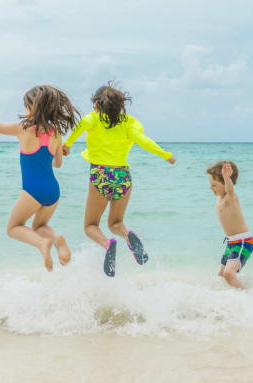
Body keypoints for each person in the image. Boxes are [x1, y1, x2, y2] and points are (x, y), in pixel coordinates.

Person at [0, 85, 78, 271]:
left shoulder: (24, 129)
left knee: (13, 228)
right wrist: (60, 150)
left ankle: (41, 244)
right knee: (40, 225)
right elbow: (57, 164)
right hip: (53, 190)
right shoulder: (57, 133)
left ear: (33, 107)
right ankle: (56, 240)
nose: (24, 110)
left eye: (25, 106)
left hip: (32, 190)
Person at [62, 82, 176, 277]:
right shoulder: (130, 123)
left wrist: (67, 146)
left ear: (96, 105)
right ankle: (127, 235)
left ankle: (108, 244)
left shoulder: (92, 118)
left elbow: (76, 133)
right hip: (123, 175)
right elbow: (144, 141)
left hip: (101, 174)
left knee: (90, 226)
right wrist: (165, 155)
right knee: (115, 223)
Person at [205, 161, 253, 289]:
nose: (211, 188)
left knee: (228, 273)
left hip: (243, 242)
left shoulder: (230, 198)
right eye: (210, 185)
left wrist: (227, 177)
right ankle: (228, 300)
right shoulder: (219, 198)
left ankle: (247, 297)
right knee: (221, 275)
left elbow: (230, 189)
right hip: (231, 243)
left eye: (214, 185)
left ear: (225, 184)